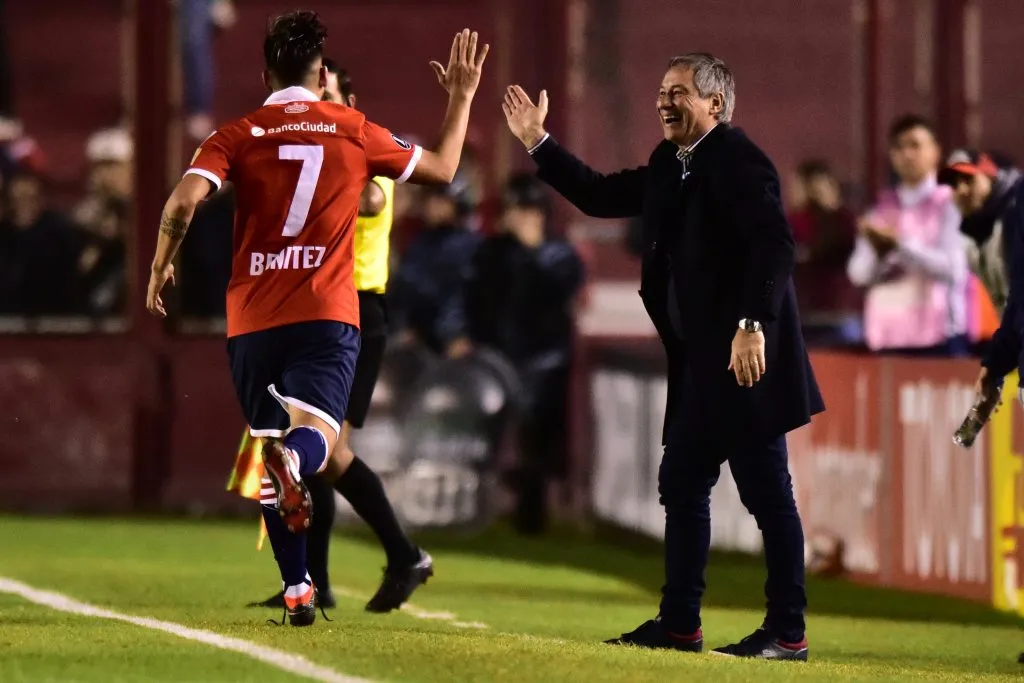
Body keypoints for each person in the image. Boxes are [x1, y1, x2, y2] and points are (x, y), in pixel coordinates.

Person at [144, 11, 489, 626]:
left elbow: (182, 201)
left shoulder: (237, 134)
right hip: (325, 311)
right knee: (315, 443)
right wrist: (461, 97)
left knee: (272, 446)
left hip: (252, 316)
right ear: (321, 73)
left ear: (265, 74)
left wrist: (159, 265)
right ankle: (308, 487)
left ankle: (299, 588)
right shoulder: (352, 129)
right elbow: (442, 170)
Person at [503, 52, 822, 660]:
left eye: (678, 92)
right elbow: (598, 195)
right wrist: (538, 142)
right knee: (682, 482)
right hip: (701, 364)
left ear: (715, 104)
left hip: (744, 361)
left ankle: (788, 631)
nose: (663, 102)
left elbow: (775, 246)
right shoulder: (670, 162)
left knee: (766, 493)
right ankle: (679, 625)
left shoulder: (740, 159)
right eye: (661, 91)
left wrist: (752, 324)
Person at [242, 58, 427, 613]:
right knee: (313, 450)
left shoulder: (364, 148)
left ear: (349, 101)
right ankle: (320, 578)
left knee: (327, 451)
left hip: (358, 312)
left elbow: (372, 199)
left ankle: (403, 555)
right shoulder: (322, 149)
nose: (318, 103)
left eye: (329, 94)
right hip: (319, 309)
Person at [464, 173, 584, 534]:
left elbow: (563, 292)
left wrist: (533, 254)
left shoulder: (559, 254)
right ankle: (480, 508)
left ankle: (531, 515)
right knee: (487, 434)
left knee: (536, 439)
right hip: (499, 356)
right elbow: (477, 297)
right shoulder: (493, 252)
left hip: (545, 360)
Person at [846, 115, 969, 355]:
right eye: (899, 147)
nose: (907, 154)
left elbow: (954, 269)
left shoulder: (950, 204)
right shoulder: (880, 210)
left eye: (915, 145)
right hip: (887, 338)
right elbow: (858, 274)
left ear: (935, 151)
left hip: (938, 338)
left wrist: (900, 246)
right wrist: (880, 254)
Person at [389, 170, 479, 358]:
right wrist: (406, 326)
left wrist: (454, 334)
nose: (431, 206)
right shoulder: (421, 242)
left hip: (452, 343)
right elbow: (406, 289)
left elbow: (460, 296)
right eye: (430, 199)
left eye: (440, 200)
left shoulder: (469, 246)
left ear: (457, 205)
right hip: (419, 339)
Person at [786, 159, 861, 346]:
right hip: (803, 315)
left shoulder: (843, 220)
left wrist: (830, 211)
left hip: (839, 313)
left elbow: (844, 248)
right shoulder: (791, 223)